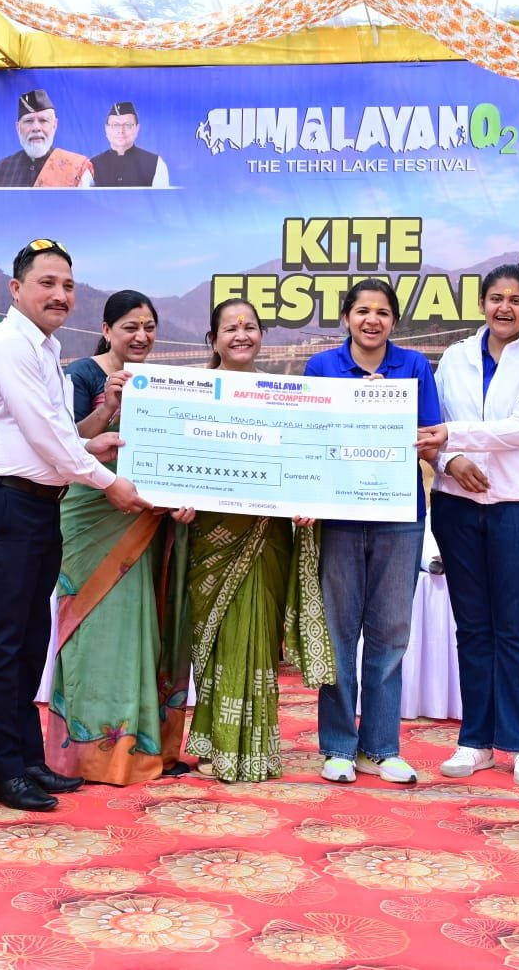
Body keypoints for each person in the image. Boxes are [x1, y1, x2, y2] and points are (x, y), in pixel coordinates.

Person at [0, 240, 152, 811]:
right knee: (1, 642)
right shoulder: (8, 345)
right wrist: (108, 481)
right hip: (4, 503)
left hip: (39, 504)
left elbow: (54, 434)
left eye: (67, 285)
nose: (60, 295)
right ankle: (3, 770)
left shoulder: (46, 348)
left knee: (28, 641)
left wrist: (91, 444)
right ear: (16, 288)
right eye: (46, 283)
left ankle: (26, 759)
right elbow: (46, 437)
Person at [414, 265, 519, 789]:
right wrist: (450, 461)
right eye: (496, 298)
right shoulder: (454, 356)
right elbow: (429, 426)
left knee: (515, 627)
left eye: (516, 300)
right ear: (482, 304)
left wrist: (451, 436)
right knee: (473, 628)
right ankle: (475, 741)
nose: (505, 307)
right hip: (456, 503)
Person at [46, 290, 195, 785]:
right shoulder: (84, 375)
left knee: (142, 630)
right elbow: (66, 442)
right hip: (92, 520)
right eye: (130, 326)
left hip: (145, 520)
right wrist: (109, 405)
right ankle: (89, 755)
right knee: (98, 633)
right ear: (107, 330)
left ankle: (143, 749)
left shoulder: (162, 384)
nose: (141, 336)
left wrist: (182, 496)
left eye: (149, 327)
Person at [184, 298, 334, 783]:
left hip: (266, 533)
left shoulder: (282, 396)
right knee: (214, 636)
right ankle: (214, 740)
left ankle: (252, 749)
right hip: (211, 531)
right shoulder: (192, 393)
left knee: (256, 636)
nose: (241, 335)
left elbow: (304, 458)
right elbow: (177, 455)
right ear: (213, 339)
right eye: (230, 328)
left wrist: (307, 500)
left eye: (250, 327)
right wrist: (174, 499)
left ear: (262, 336)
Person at [305, 279, 440, 785]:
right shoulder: (321, 368)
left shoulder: (415, 366)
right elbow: (309, 437)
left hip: (400, 515)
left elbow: (430, 437)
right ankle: (339, 746)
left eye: (382, 312)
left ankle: (381, 748)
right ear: (346, 317)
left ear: (394, 321)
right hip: (338, 515)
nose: (372, 320)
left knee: (391, 634)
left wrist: (387, 410)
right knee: (338, 634)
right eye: (362, 310)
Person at [0, 89, 93, 188]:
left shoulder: (77, 168)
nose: (36, 128)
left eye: (43, 120)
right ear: (18, 128)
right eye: (28, 121)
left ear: (54, 125)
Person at [90, 102, 170, 188]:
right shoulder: (92, 165)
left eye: (127, 125)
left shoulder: (155, 164)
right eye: (115, 125)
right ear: (106, 129)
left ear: (137, 128)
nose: (121, 131)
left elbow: (163, 196)